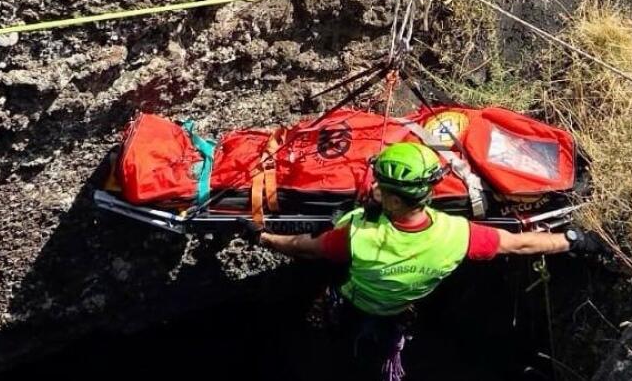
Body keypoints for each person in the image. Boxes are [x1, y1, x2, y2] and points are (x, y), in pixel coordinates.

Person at [257, 142, 604, 379]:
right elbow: (518, 245)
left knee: (328, 328)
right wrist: (571, 240)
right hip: (400, 309)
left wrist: (263, 237)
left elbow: (305, 247)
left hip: (351, 304)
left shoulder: (357, 235)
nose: (374, 189)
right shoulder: (458, 235)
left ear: (393, 200)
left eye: (380, 187)